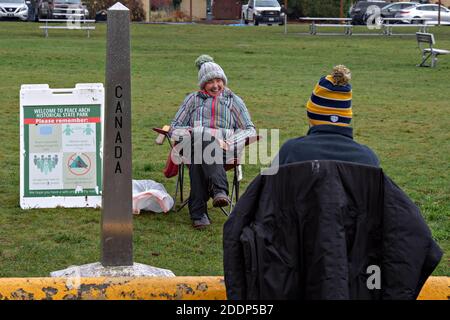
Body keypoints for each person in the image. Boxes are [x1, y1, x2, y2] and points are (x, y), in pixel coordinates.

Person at [169, 55, 256, 229]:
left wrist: (230, 142)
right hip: (194, 146)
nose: (215, 85)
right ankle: (219, 190)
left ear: (223, 81)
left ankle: (198, 213)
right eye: (210, 82)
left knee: (198, 157)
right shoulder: (192, 100)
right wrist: (195, 132)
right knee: (202, 141)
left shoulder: (234, 101)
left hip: (225, 150)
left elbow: (249, 129)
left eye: (219, 80)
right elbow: (174, 127)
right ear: (203, 84)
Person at [274, 65, 380, 168]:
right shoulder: (368, 159)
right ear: (347, 117)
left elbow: (267, 184)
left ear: (310, 114)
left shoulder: (291, 152)